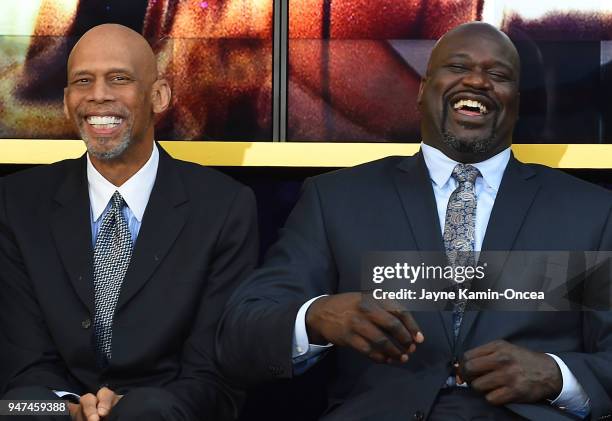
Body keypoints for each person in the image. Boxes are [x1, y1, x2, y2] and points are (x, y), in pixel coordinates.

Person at [216, 22, 612, 420]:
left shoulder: (589, 212)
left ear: (516, 102)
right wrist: (318, 317)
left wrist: (558, 376)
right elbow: (240, 335)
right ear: (423, 90)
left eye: (498, 75)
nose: (477, 80)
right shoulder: (336, 199)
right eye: (458, 67)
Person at [0, 24, 258, 421]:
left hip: (168, 408)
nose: (99, 94)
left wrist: (131, 409)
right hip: (50, 409)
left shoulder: (224, 207)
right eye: (83, 81)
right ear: (68, 102)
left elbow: (211, 372)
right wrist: (69, 408)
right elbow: (24, 361)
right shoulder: (17, 203)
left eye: (118, 78)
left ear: (159, 96)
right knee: (21, 410)